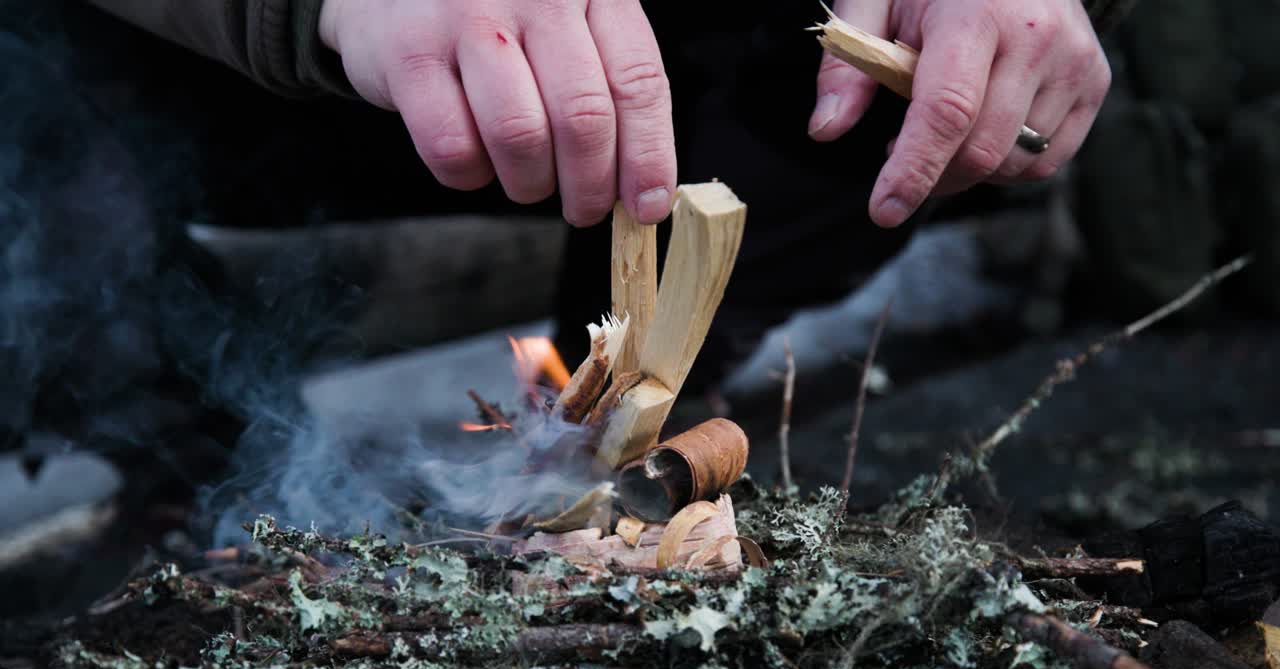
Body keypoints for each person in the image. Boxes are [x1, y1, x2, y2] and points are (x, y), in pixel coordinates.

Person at [80, 0, 1112, 383]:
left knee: (872, 79)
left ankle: (615, 408)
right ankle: (174, 441)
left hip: (671, 78)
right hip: (196, 81)